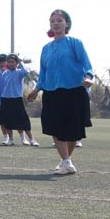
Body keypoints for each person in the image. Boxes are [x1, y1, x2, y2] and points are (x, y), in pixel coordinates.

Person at [26, 10, 94, 174]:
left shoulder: (75, 43)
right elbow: (43, 73)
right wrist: (36, 89)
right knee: (55, 128)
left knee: (72, 131)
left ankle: (65, 161)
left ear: (67, 24)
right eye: (52, 21)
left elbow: (87, 65)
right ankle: (66, 161)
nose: (55, 23)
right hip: (51, 93)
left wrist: (88, 77)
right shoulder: (46, 48)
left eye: (59, 20)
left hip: (74, 91)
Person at [0, 54, 38, 146]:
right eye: (9, 62)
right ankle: (11, 139)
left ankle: (31, 139)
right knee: (8, 120)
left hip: (17, 100)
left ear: (16, 63)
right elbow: (1, 89)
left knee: (23, 120)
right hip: (5, 100)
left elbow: (26, 72)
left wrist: (20, 61)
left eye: (13, 62)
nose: (11, 64)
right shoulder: (4, 74)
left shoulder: (19, 72)